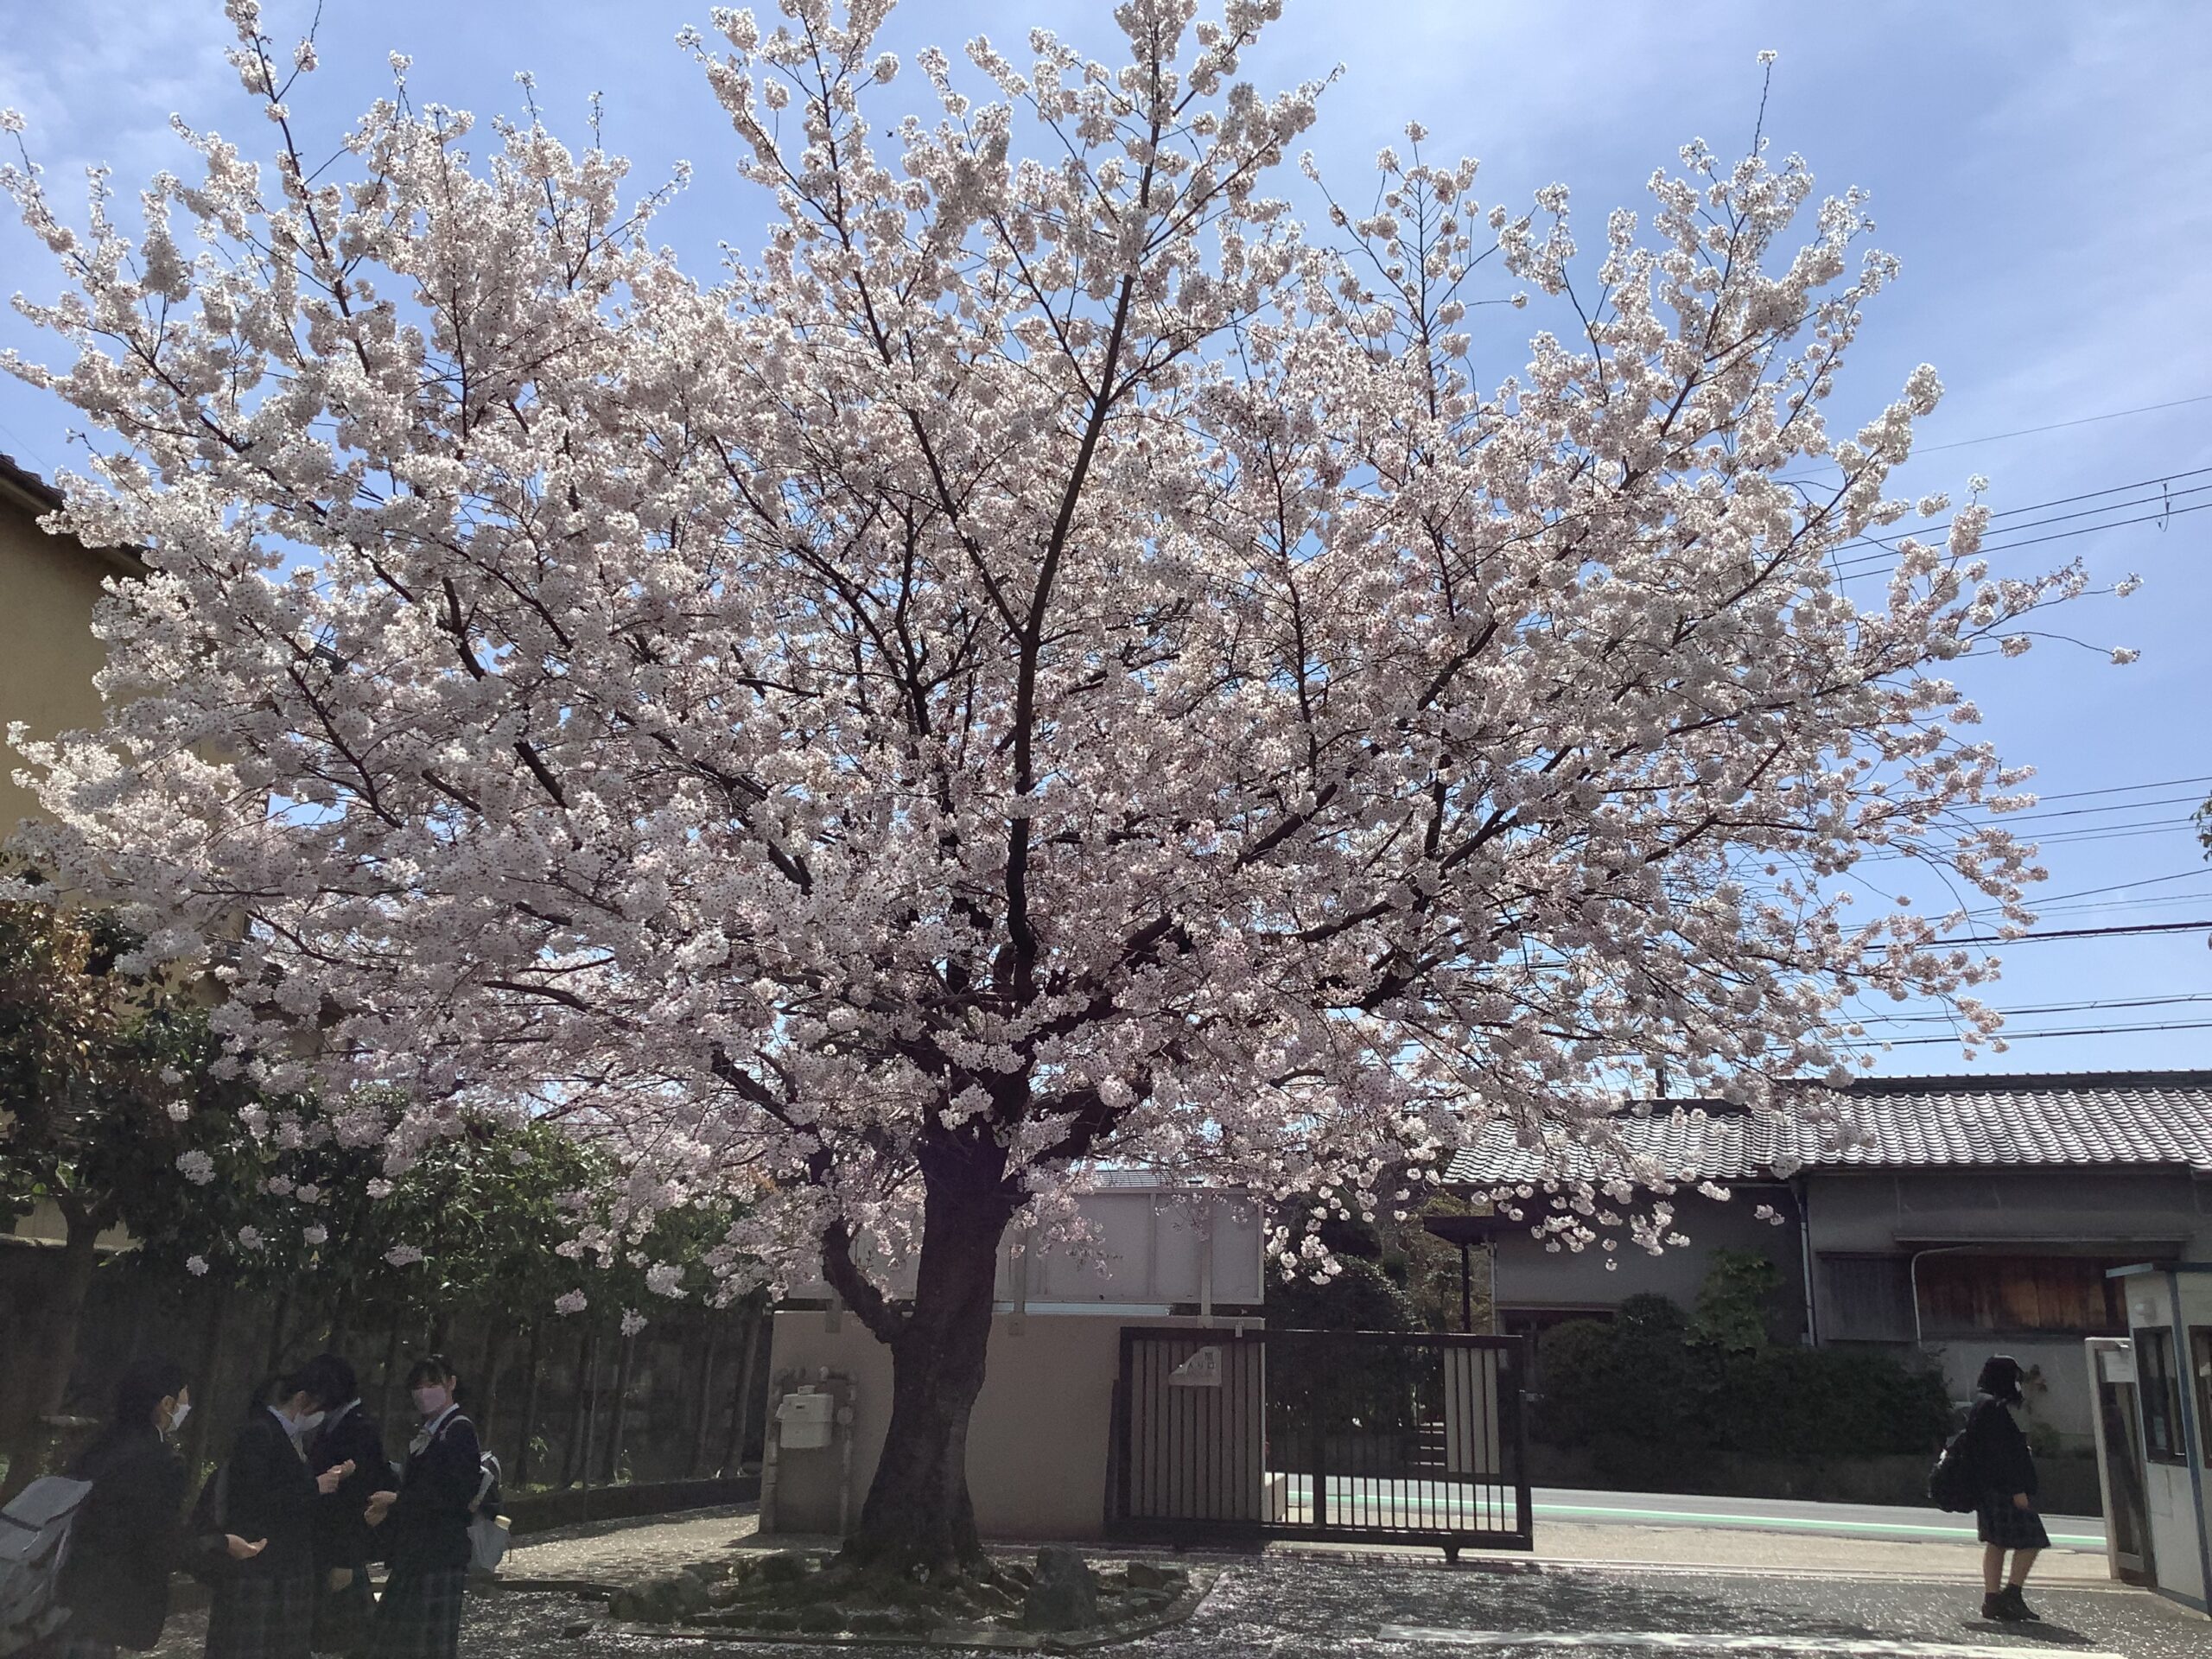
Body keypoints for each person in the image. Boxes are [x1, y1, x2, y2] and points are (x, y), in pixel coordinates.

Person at [42, 1357, 263, 1659]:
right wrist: (221, 1544)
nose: (188, 1404)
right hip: (107, 1604)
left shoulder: (99, 1445)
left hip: (64, 1593)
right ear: (167, 1403)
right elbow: (160, 1542)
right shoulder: (159, 1462)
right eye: (185, 1395)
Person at [203, 1370, 353, 1659]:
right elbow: (252, 1499)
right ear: (302, 1400)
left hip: (280, 1566)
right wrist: (314, 1486)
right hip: (260, 1564)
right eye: (320, 1409)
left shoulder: (284, 1435)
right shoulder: (261, 1432)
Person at [365, 1357, 481, 1659]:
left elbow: (454, 1495)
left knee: (426, 1645)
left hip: (439, 1553)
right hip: (416, 1553)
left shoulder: (458, 1431)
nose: (424, 1392)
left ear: (451, 1384)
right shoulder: (428, 1432)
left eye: (433, 1384)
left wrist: (397, 1501)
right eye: (418, 1386)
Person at [298, 1355, 384, 1658]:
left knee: (350, 1639)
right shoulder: (336, 1425)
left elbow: (356, 1498)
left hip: (342, 1547)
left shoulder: (357, 1428)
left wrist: (347, 1559)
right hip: (330, 1544)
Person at [1957, 1353, 2048, 1622]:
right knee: (2032, 1540)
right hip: (2004, 1490)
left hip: (1986, 1489)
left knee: (1996, 1543)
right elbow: (2001, 1456)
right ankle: (2012, 1593)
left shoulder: (1980, 1405)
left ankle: (1992, 1598)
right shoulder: (1993, 1409)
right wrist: (2017, 1489)